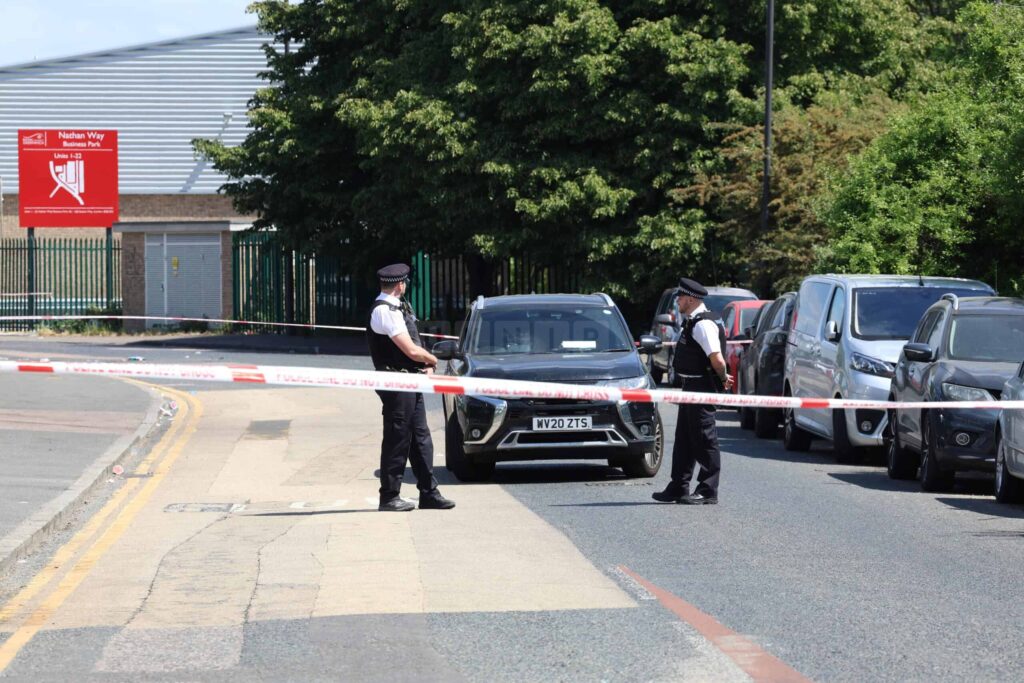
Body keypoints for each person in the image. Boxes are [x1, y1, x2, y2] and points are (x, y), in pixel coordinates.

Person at [367, 263, 455, 512]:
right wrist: (432, 359)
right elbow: (410, 349)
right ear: (400, 284)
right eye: (404, 282)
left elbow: (411, 349)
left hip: (409, 381)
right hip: (396, 384)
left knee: (420, 438)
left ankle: (429, 492)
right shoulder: (384, 311)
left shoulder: (396, 307)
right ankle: (389, 496)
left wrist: (422, 365)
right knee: (397, 438)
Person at [652, 277, 732, 505]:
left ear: (690, 299)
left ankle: (708, 489)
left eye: (680, 297)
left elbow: (716, 358)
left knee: (705, 438)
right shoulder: (694, 320)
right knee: (685, 439)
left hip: (701, 387)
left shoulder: (703, 324)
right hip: (689, 386)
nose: (677, 301)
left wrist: (723, 377)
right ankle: (679, 486)